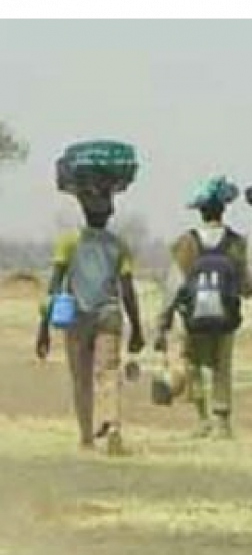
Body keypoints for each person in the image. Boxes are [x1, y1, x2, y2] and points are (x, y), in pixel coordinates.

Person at [36, 187, 146, 456]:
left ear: (83, 211)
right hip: (109, 314)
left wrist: (43, 328)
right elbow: (127, 289)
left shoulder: (68, 242)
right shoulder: (117, 245)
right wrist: (136, 327)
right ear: (110, 213)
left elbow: (54, 287)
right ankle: (113, 426)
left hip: (76, 316)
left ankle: (86, 438)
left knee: (81, 378)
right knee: (109, 372)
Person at [154, 176, 252, 439]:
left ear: (200, 211)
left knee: (192, 363)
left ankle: (202, 419)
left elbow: (174, 286)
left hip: (192, 318)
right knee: (222, 366)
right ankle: (222, 421)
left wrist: (162, 322)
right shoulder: (235, 242)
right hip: (226, 317)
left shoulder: (186, 243)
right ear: (223, 209)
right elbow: (245, 283)